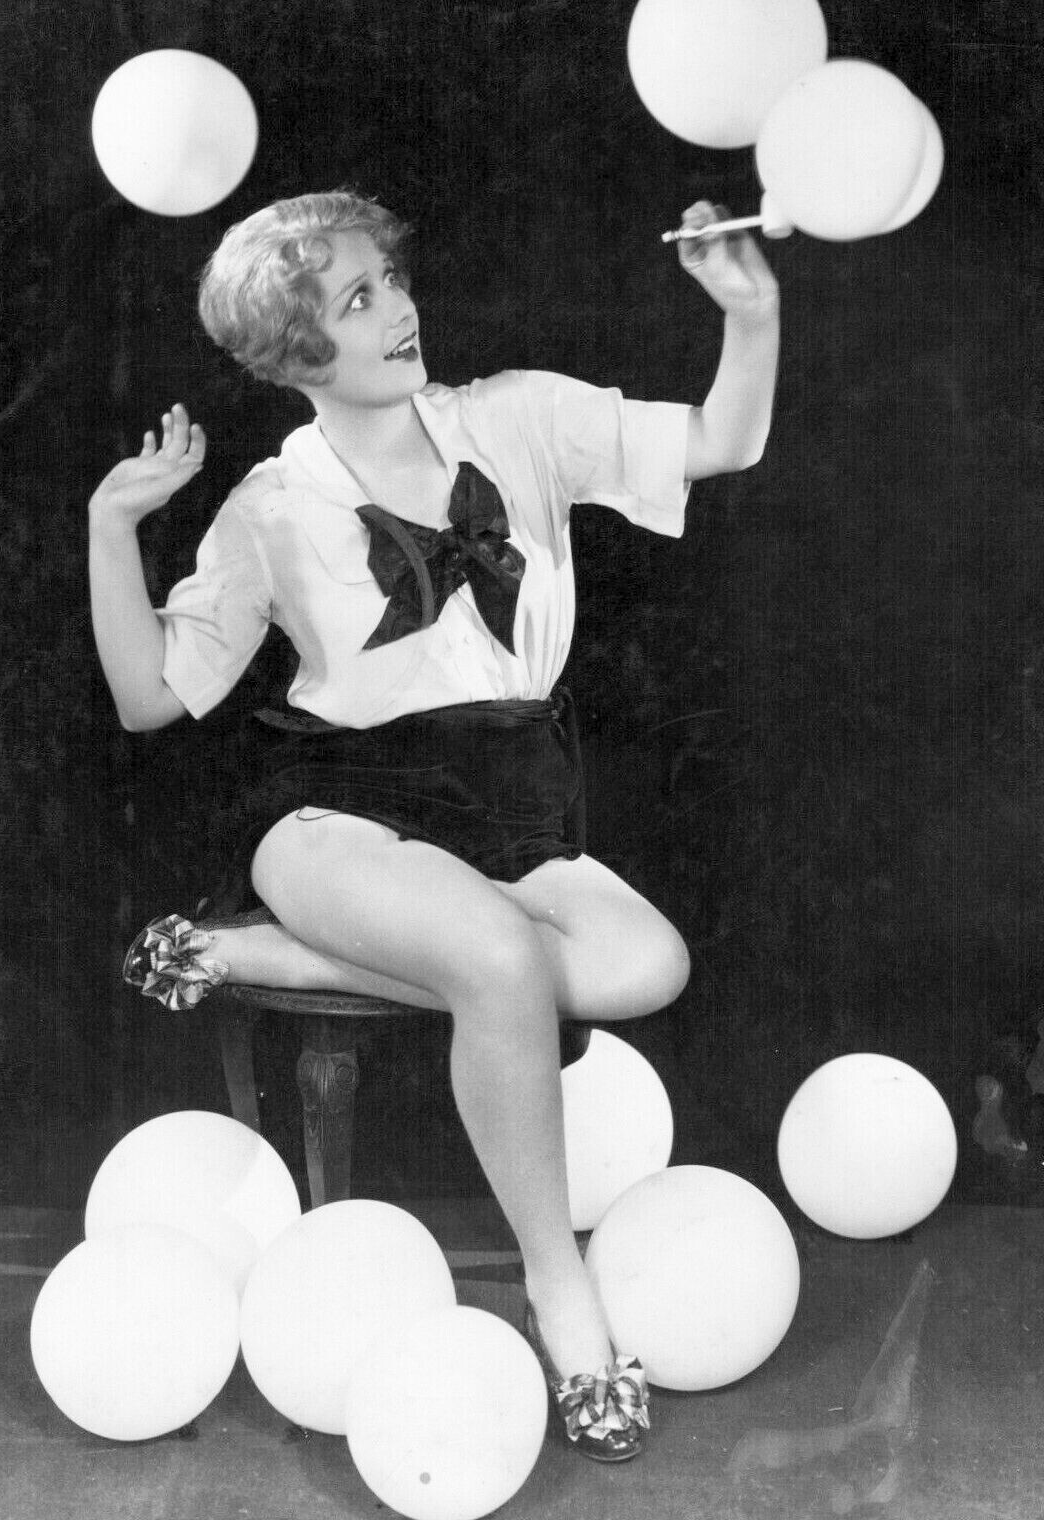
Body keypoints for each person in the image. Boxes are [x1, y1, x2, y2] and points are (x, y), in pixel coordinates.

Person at [88, 189, 779, 1461]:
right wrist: (111, 524)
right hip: (334, 815)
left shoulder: (515, 416)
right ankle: (563, 1297)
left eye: (392, 279)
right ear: (297, 350)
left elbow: (721, 440)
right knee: (503, 962)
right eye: (358, 299)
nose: (399, 309)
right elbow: (148, 697)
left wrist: (750, 314)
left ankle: (261, 953)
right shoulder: (270, 505)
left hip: (513, 814)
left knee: (649, 963)